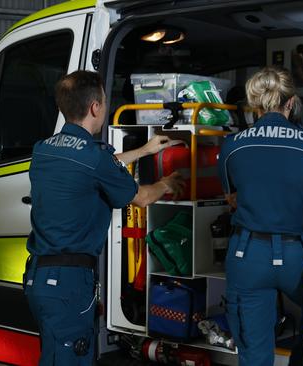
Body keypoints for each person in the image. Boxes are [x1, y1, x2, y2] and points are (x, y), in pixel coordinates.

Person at [23, 70, 184, 366]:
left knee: (56, 355)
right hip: (69, 283)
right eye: (105, 101)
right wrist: (167, 184)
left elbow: (96, 168)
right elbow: (142, 197)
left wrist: (144, 150)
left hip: (38, 279)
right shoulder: (94, 158)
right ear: (95, 107)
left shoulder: (43, 150)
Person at [218, 67, 303, 366]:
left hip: (248, 255)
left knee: (254, 354)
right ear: (291, 101)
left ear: (254, 105)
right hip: (296, 255)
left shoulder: (233, 146)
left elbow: (231, 198)